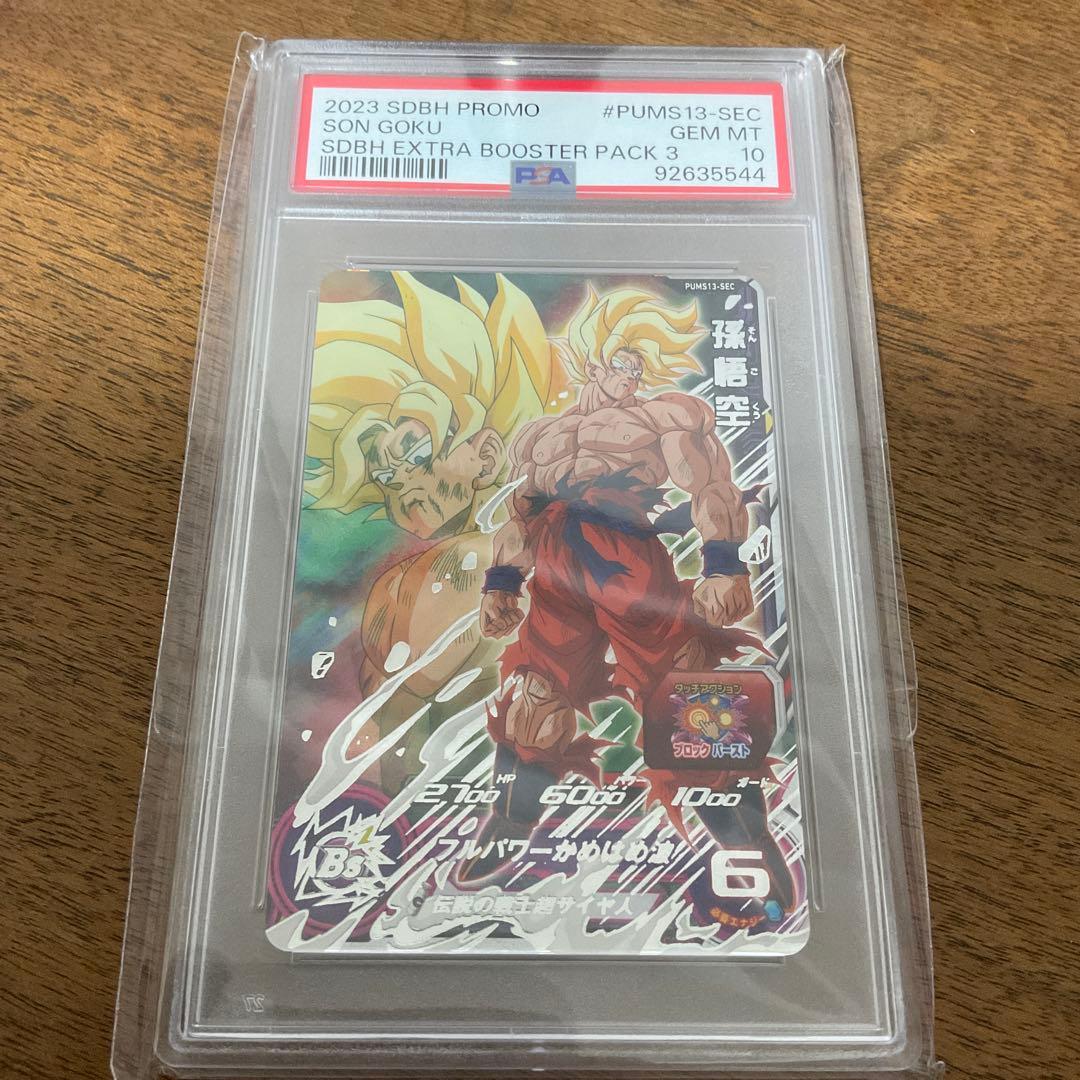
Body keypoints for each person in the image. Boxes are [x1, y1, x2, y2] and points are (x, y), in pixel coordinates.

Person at [459, 285, 794, 925]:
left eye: (640, 365)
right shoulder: (544, 437)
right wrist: (502, 579)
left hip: (626, 557)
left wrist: (723, 562)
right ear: (592, 359)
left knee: (681, 689)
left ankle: (745, 842)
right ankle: (510, 824)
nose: (632, 376)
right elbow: (522, 513)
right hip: (555, 561)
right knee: (536, 692)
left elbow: (711, 484)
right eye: (622, 361)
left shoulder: (661, 418)